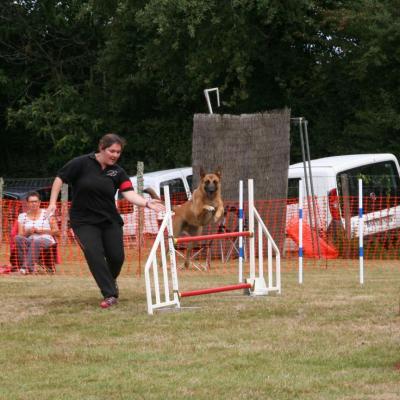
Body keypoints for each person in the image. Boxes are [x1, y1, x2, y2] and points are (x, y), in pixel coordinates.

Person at [46, 133, 165, 309]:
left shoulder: (117, 171)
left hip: (110, 220)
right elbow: (59, 179)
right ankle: (110, 293)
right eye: (112, 151)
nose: (115, 155)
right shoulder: (81, 163)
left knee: (117, 257)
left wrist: (147, 203)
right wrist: (52, 203)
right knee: (94, 254)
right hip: (84, 221)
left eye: (118, 152)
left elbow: (129, 193)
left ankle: (109, 281)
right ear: (102, 148)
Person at [15, 191, 59, 274]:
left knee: (37, 241)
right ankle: (25, 267)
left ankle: (25, 268)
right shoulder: (22, 216)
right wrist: (27, 232)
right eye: (31, 202)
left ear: (39, 202)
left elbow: (57, 231)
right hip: (29, 240)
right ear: (27, 203)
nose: (34, 204)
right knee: (18, 238)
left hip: (46, 240)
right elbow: (20, 235)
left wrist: (41, 231)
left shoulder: (47, 213)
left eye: (36, 201)